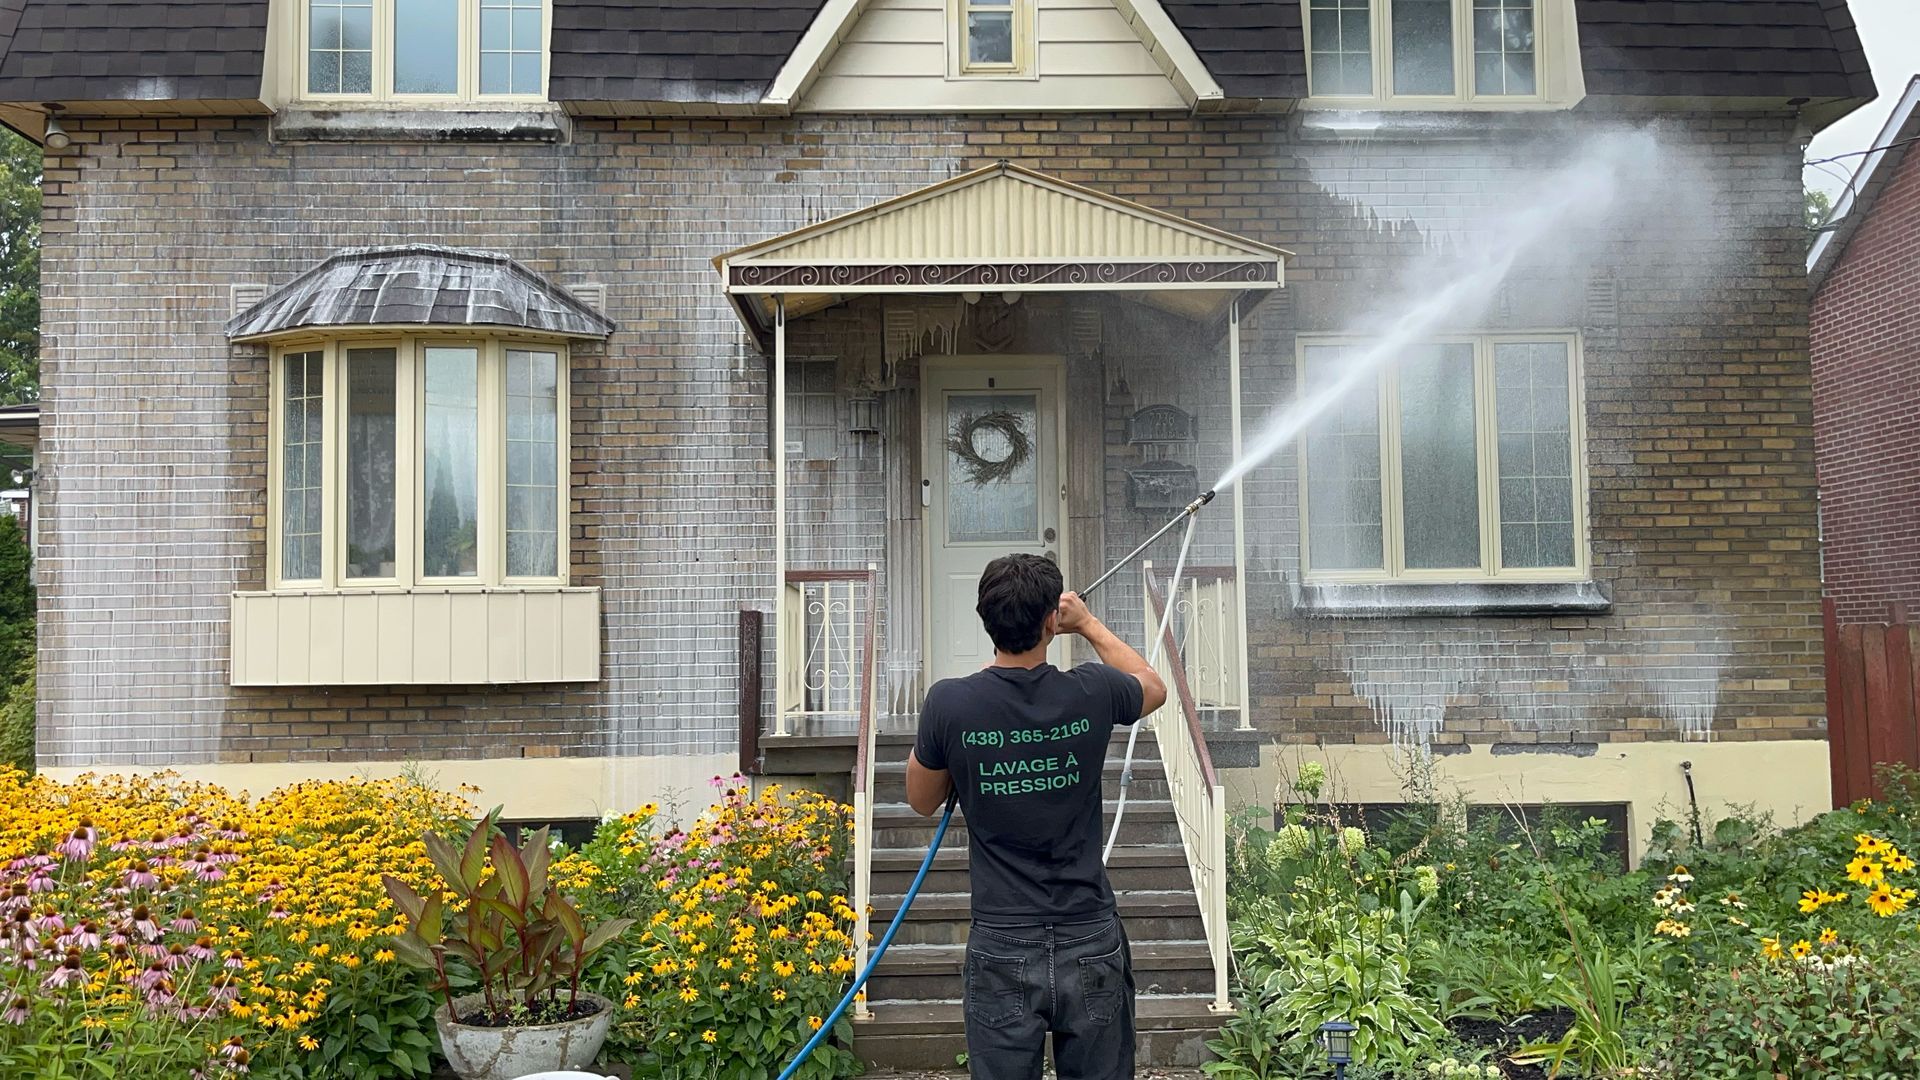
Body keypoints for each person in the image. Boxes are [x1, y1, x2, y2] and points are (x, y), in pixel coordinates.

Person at [906, 553, 1168, 1080]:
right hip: (1089, 934)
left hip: (1002, 942)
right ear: (1052, 621)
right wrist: (1088, 623)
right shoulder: (1092, 689)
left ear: (985, 617)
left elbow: (921, 799)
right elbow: (1152, 685)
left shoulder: (950, 703)